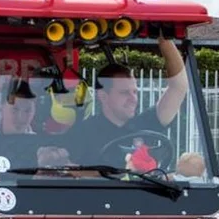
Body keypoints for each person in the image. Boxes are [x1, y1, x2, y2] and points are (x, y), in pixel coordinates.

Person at [66, 34, 189, 170]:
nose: (133, 99)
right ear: (103, 96)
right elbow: (70, 173)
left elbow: (179, 87)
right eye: (124, 93)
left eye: (135, 92)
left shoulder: (147, 124)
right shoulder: (82, 133)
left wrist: (162, 36)